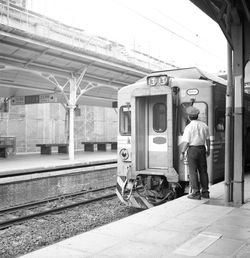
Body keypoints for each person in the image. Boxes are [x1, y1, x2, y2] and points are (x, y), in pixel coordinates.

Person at [180, 106, 210, 200]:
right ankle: (205, 192)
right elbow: (208, 139)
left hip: (192, 150)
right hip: (202, 149)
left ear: (189, 117)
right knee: (203, 171)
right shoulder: (204, 125)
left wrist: (182, 152)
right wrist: (207, 149)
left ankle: (196, 193)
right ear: (197, 115)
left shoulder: (188, 127)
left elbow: (186, 142)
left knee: (193, 172)